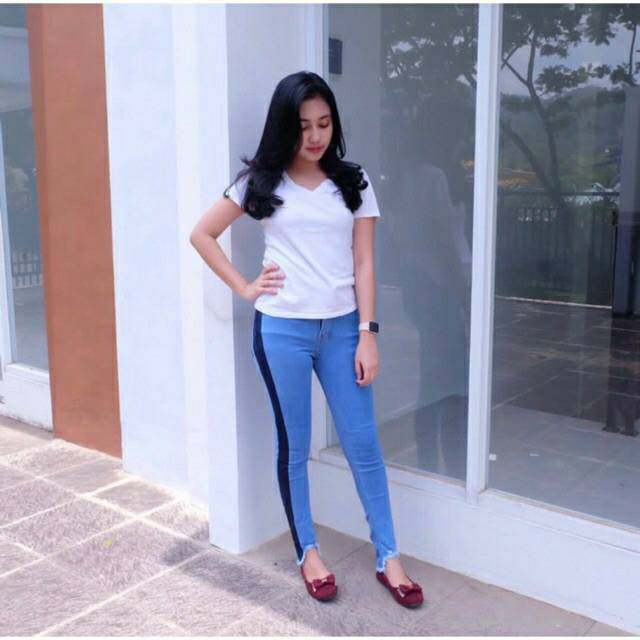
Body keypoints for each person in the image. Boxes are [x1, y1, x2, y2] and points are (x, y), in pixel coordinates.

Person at [190, 71, 423, 608]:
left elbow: (364, 262)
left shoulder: (353, 181)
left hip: (343, 330)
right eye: (303, 126)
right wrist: (245, 287)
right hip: (282, 331)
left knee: (363, 445)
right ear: (284, 126)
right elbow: (202, 234)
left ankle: (389, 556)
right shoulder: (260, 183)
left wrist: (368, 334)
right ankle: (308, 553)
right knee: (294, 447)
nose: (315, 136)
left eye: (324, 123)